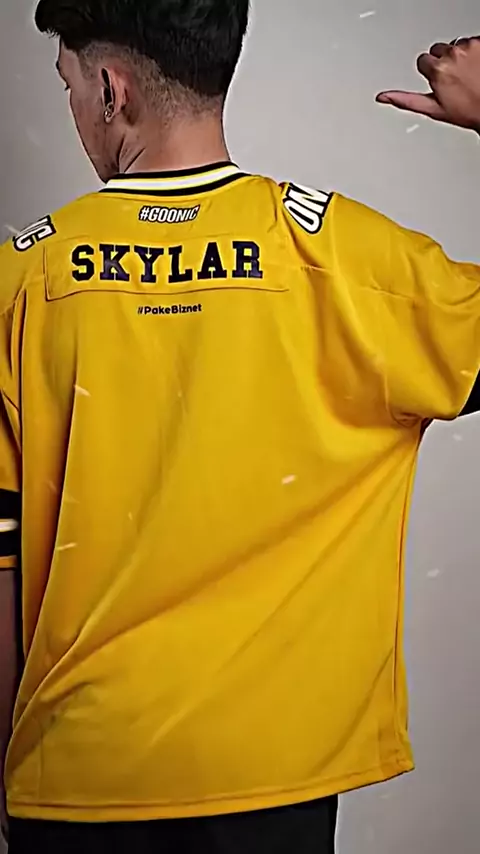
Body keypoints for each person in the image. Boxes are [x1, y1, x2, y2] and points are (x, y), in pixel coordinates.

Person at [0, 1, 478, 851]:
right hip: (274, 778)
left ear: (111, 89)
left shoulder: (22, 279)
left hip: (78, 774)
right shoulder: (350, 264)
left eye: (69, 84)